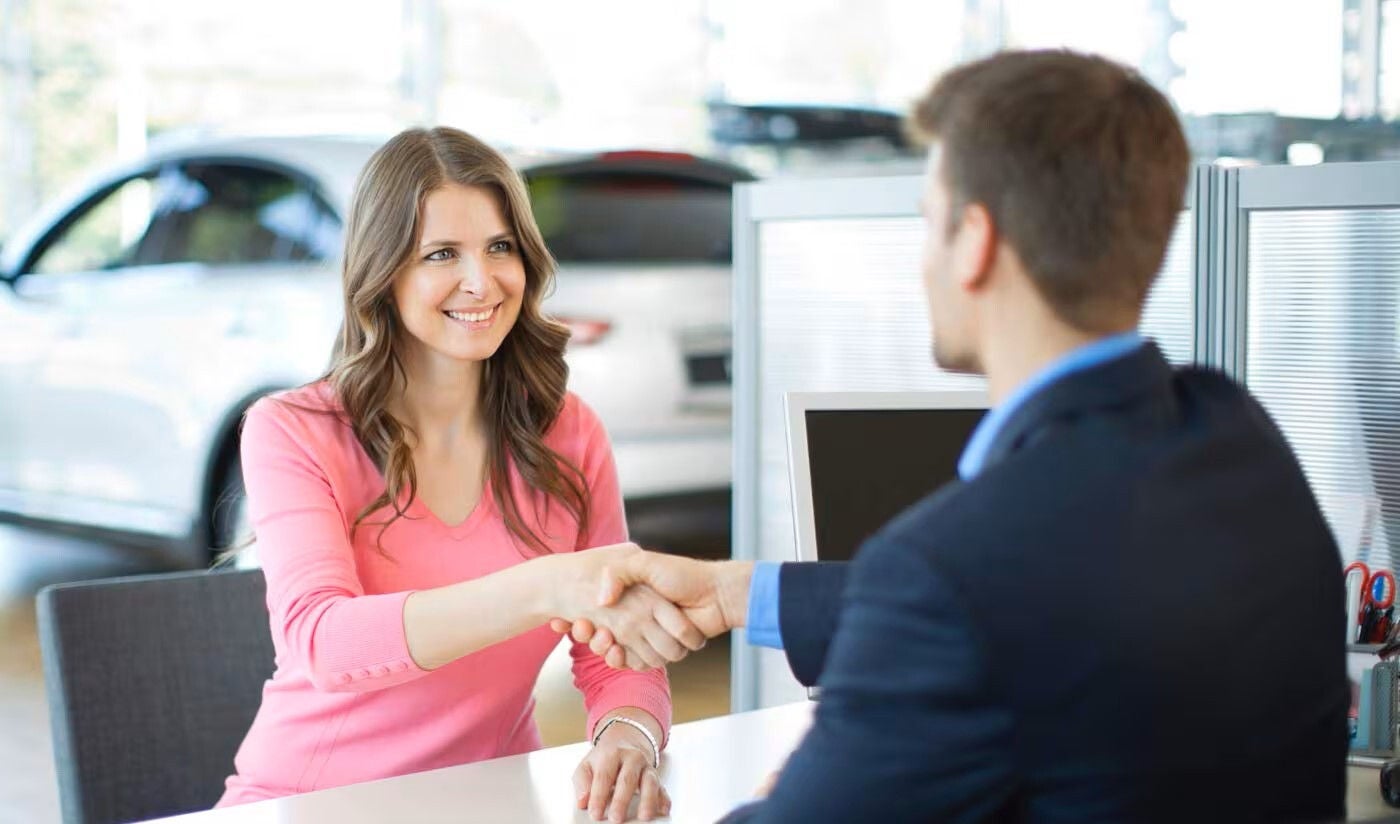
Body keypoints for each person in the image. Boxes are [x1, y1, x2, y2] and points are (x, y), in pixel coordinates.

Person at [558, 50, 1349, 822]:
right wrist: (739, 594)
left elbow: (968, 602)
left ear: (974, 242)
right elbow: (1038, 596)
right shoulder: (1238, 436)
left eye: (927, 223)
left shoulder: (951, 571)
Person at [218, 126, 706, 824]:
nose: (482, 281)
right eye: (441, 253)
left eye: (499, 247)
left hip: (494, 802)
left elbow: (614, 647)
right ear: (384, 273)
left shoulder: (569, 433)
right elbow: (324, 640)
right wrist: (545, 586)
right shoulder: (294, 429)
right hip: (314, 804)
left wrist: (626, 733)